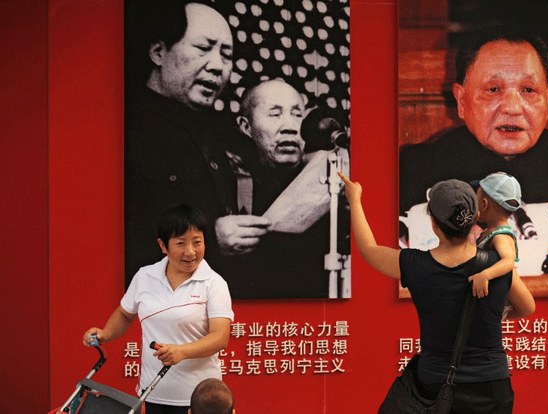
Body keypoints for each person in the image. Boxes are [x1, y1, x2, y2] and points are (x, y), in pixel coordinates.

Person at [399, 25, 548, 256]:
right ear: (461, 100)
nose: (512, 108)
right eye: (493, 89)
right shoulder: (418, 170)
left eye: (528, 90)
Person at [339, 172, 535, 412]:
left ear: (434, 224)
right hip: (492, 386)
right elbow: (526, 307)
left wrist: (355, 199)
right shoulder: (496, 264)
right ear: (475, 216)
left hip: (435, 386)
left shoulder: (416, 265)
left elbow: (368, 249)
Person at [124, 0, 254, 287]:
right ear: (159, 52)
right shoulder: (123, 127)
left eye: (227, 55)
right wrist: (210, 241)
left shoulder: (223, 131)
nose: (218, 66)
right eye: (203, 48)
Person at [83, 204, 234, 413]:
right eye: (181, 243)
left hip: (198, 399)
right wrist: (105, 333)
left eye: (197, 242)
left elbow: (220, 337)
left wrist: (181, 352)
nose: (190, 252)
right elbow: (125, 315)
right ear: (163, 246)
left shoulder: (214, 283)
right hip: (151, 392)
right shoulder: (145, 276)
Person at [218, 79, 350, 298]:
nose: (290, 126)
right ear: (246, 126)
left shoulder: (330, 175)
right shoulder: (229, 182)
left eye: (297, 115)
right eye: (275, 114)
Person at [468, 172, 522, 298]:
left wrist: (485, 275)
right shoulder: (491, 231)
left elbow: (509, 260)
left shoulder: (500, 236)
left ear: (484, 204)